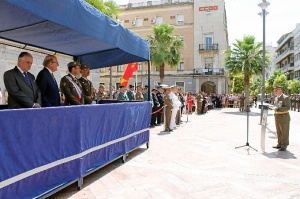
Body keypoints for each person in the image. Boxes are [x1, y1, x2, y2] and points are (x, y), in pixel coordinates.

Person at [272, 85, 291, 151]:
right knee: (278, 131)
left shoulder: (285, 98)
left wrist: (279, 108)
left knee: (284, 131)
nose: (275, 92)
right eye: (275, 90)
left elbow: (288, 108)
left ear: (280, 90)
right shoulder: (276, 98)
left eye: (276, 90)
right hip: (277, 117)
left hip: (284, 117)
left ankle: (284, 145)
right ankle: (279, 144)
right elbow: (275, 106)